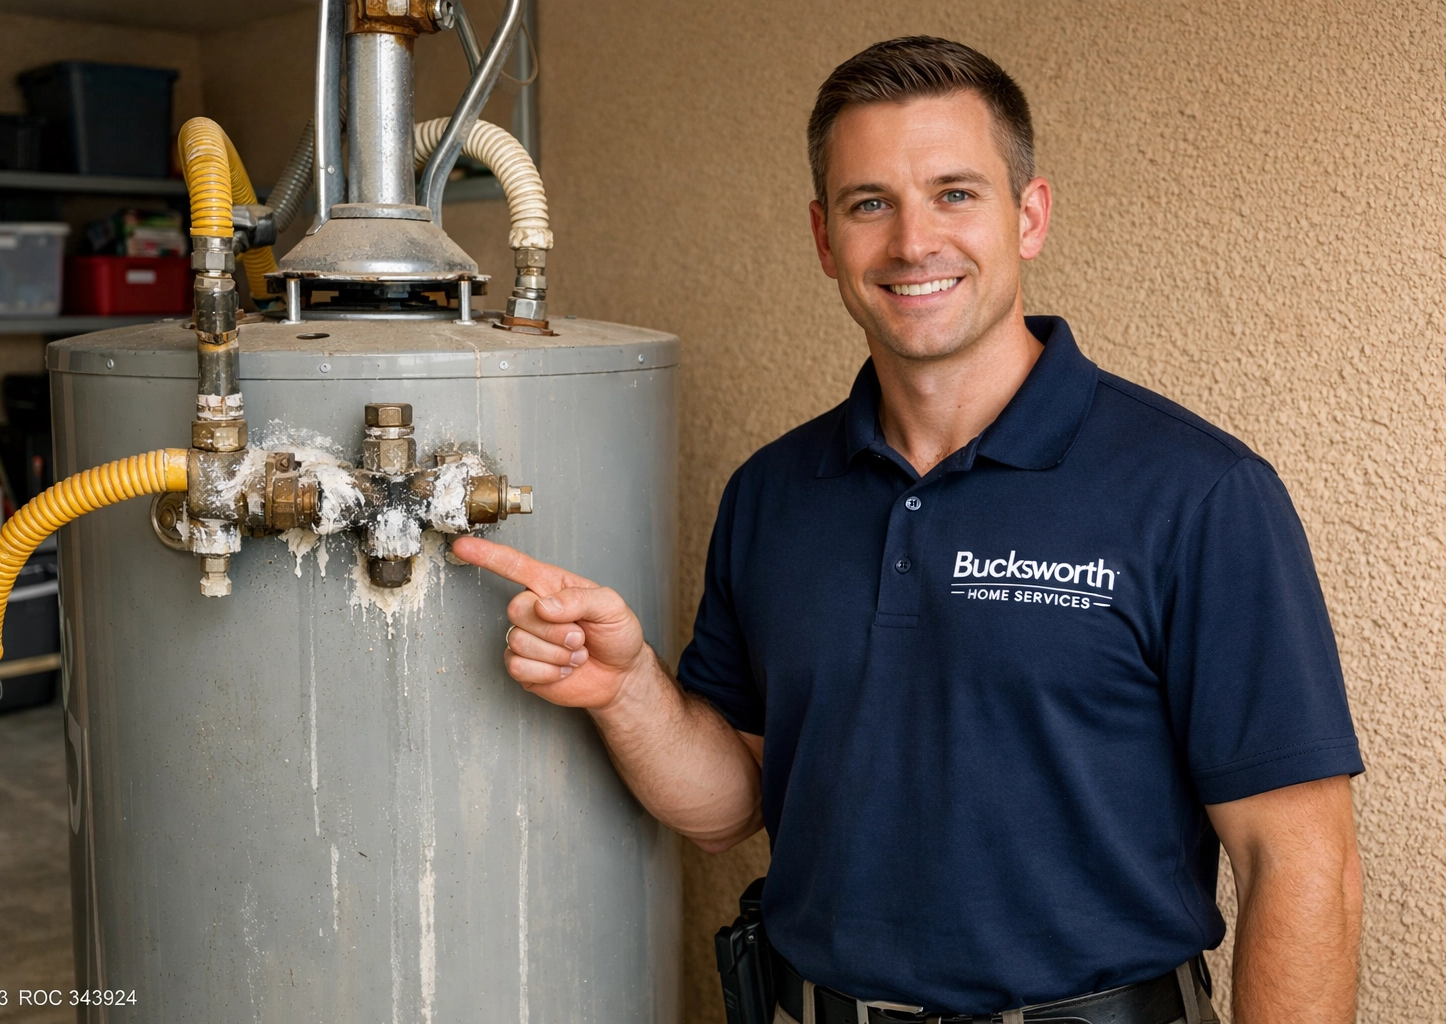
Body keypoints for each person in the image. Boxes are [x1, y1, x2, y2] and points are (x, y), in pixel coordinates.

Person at [452, 35, 1364, 1024]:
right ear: (823, 236)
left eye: (956, 194)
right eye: (870, 202)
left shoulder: (1198, 493)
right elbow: (730, 806)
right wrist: (626, 689)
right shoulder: (775, 491)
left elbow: (1301, 861)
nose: (913, 242)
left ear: (1030, 216)